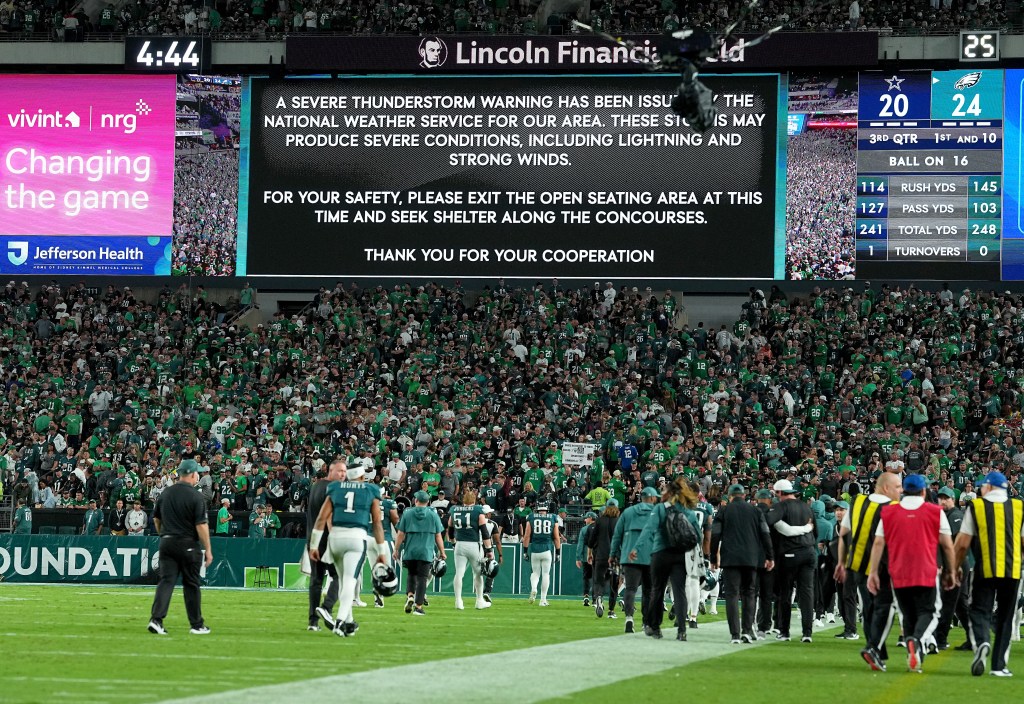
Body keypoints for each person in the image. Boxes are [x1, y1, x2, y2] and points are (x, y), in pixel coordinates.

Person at [867, 474, 956, 673]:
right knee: (931, 612)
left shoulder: (889, 512)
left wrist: (873, 571)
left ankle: (913, 659)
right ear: (924, 491)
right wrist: (951, 571)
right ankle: (915, 642)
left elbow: (879, 543)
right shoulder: (935, 511)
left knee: (908, 616)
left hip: (898, 573)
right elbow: (948, 546)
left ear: (903, 491)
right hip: (926, 571)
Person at [953, 471, 1024, 677]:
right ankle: (999, 666)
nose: (980, 489)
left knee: (979, 610)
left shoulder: (976, 507)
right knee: (1005, 617)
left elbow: (962, 544)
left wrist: (955, 567)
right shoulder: (1019, 507)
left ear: (990, 487)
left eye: (983, 486)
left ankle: (982, 640)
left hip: (985, 568)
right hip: (1012, 570)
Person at [308, 461, 388, 638]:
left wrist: (314, 545)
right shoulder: (370, 489)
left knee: (343, 582)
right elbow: (376, 522)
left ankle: (349, 623)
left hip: (335, 538)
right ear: (361, 475)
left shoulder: (335, 487)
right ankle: (340, 621)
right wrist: (381, 551)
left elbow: (321, 519)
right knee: (350, 581)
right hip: (356, 538)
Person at [835, 472, 901, 669]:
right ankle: (874, 648)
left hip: (857, 565)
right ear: (886, 488)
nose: (901, 491)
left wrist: (841, 562)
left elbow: (844, 534)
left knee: (869, 607)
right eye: (897, 487)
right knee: (884, 607)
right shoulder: (895, 508)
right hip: (883, 566)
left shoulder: (857, 502)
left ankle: (876, 650)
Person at [148, 460, 213, 636]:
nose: (198, 475)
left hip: (167, 542)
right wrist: (208, 549)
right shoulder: (196, 496)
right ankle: (196, 624)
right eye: (197, 472)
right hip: (188, 544)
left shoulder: (166, 493)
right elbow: (201, 525)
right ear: (192, 474)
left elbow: (156, 519)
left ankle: (156, 620)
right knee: (191, 584)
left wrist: (164, 534)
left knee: (166, 581)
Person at [633, 477, 702, 641]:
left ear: (670, 493)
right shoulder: (688, 511)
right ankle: (682, 630)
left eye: (664, 490)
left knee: (657, 590)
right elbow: (697, 536)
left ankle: (655, 627)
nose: (662, 492)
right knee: (679, 591)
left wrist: (637, 547)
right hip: (680, 555)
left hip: (660, 553)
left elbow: (649, 530)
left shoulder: (660, 509)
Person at [710, 484, 774, 644]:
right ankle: (747, 630)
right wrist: (769, 556)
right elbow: (765, 534)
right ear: (744, 496)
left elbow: (715, 535)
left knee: (732, 595)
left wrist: (712, 558)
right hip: (751, 559)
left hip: (730, 558)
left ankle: (735, 634)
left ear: (730, 496)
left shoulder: (724, 511)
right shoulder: (756, 510)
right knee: (749, 593)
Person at [766, 479, 816, 643]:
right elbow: (816, 531)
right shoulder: (806, 507)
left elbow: (767, 521)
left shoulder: (780, 506)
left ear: (779, 493)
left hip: (790, 553)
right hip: (809, 552)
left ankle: (784, 631)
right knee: (807, 593)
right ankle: (807, 632)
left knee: (785, 594)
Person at [611, 486, 659, 634]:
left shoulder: (628, 512)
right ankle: (646, 622)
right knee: (648, 591)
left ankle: (629, 619)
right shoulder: (656, 512)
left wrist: (613, 554)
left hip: (629, 556)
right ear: (651, 498)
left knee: (630, 588)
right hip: (651, 556)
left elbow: (617, 535)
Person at [306, 460, 344, 631]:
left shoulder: (316, 486)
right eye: (340, 471)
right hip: (328, 540)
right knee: (340, 576)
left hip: (314, 540)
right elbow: (328, 517)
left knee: (316, 580)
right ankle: (326, 607)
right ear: (330, 470)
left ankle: (313, 622)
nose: (343, 475)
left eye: (345, 472)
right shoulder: (333, 489)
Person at [394, 490, 445, 616]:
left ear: (416, 500)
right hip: (426, 551)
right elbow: (438, 535)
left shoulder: (407, 513)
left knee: (411, 574)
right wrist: (442, 551)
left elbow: (400, 534)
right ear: (428, 502)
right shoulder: (433, 515)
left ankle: (410, 594)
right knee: (422, 578)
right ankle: (418, 606)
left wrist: (396, 549)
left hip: (410, 550)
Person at [447, 489, 496, 611]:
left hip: (459, 544)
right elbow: (484, 533)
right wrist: (489, 550)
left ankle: (458, 601)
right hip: (473, 545)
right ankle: (479, 601)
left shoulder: (454, 510)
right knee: (478, 574)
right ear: (474, 500)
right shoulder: (478, 510)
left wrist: (453, 543)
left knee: (459, 573)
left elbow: (450, 529)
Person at [932, 486, 967, 651]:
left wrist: (952, 567)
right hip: (949, 564)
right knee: (959, 604)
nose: (942, 501)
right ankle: (976, 637)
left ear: (953, 499)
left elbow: (956, 545)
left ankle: (940, 638)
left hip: (957, 564)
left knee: (948, 603)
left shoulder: (956, 516)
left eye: (946, 498)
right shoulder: (942, 515)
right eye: (940, 498)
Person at [588, 498, 620, 620]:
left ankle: (599, 597)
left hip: (600, 556)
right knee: (614, 584)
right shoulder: (619, 521)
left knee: (599, 581)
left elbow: (591, 540)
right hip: (615, 558)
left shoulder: (599, 521)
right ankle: (611, 611)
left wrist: (589, 553)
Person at [523, 501, 560, 607]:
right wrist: (558, 552)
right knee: (545, 574)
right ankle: (543, 600)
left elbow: (527, 535)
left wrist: (525, 551)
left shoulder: (531, 517)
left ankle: (534, 588)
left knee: (535, 573)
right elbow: (556, 537)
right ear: (547, 509)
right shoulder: (553, 517)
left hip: (535, 549)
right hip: (547, 549)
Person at [481, 504, 503, 603]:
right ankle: (487, 592)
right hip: (488, 548)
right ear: (487, 514)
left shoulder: (475, 522)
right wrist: (500, 554)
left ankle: (479, 593)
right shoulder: (492, 524)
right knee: (491, 571)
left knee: (478, 572)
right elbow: (497, 540)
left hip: (477, 548)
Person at [576, 511, 596, 606]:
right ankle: (595, 598)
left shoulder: (584, 529)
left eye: (586, 518)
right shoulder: (599, 528)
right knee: (596, 577)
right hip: (597, 557)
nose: (585, 519)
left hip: (585, 556)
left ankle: (586, 596)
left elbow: (580, 544)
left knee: (586, 577)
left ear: (591, 518)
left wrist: (578, 557)